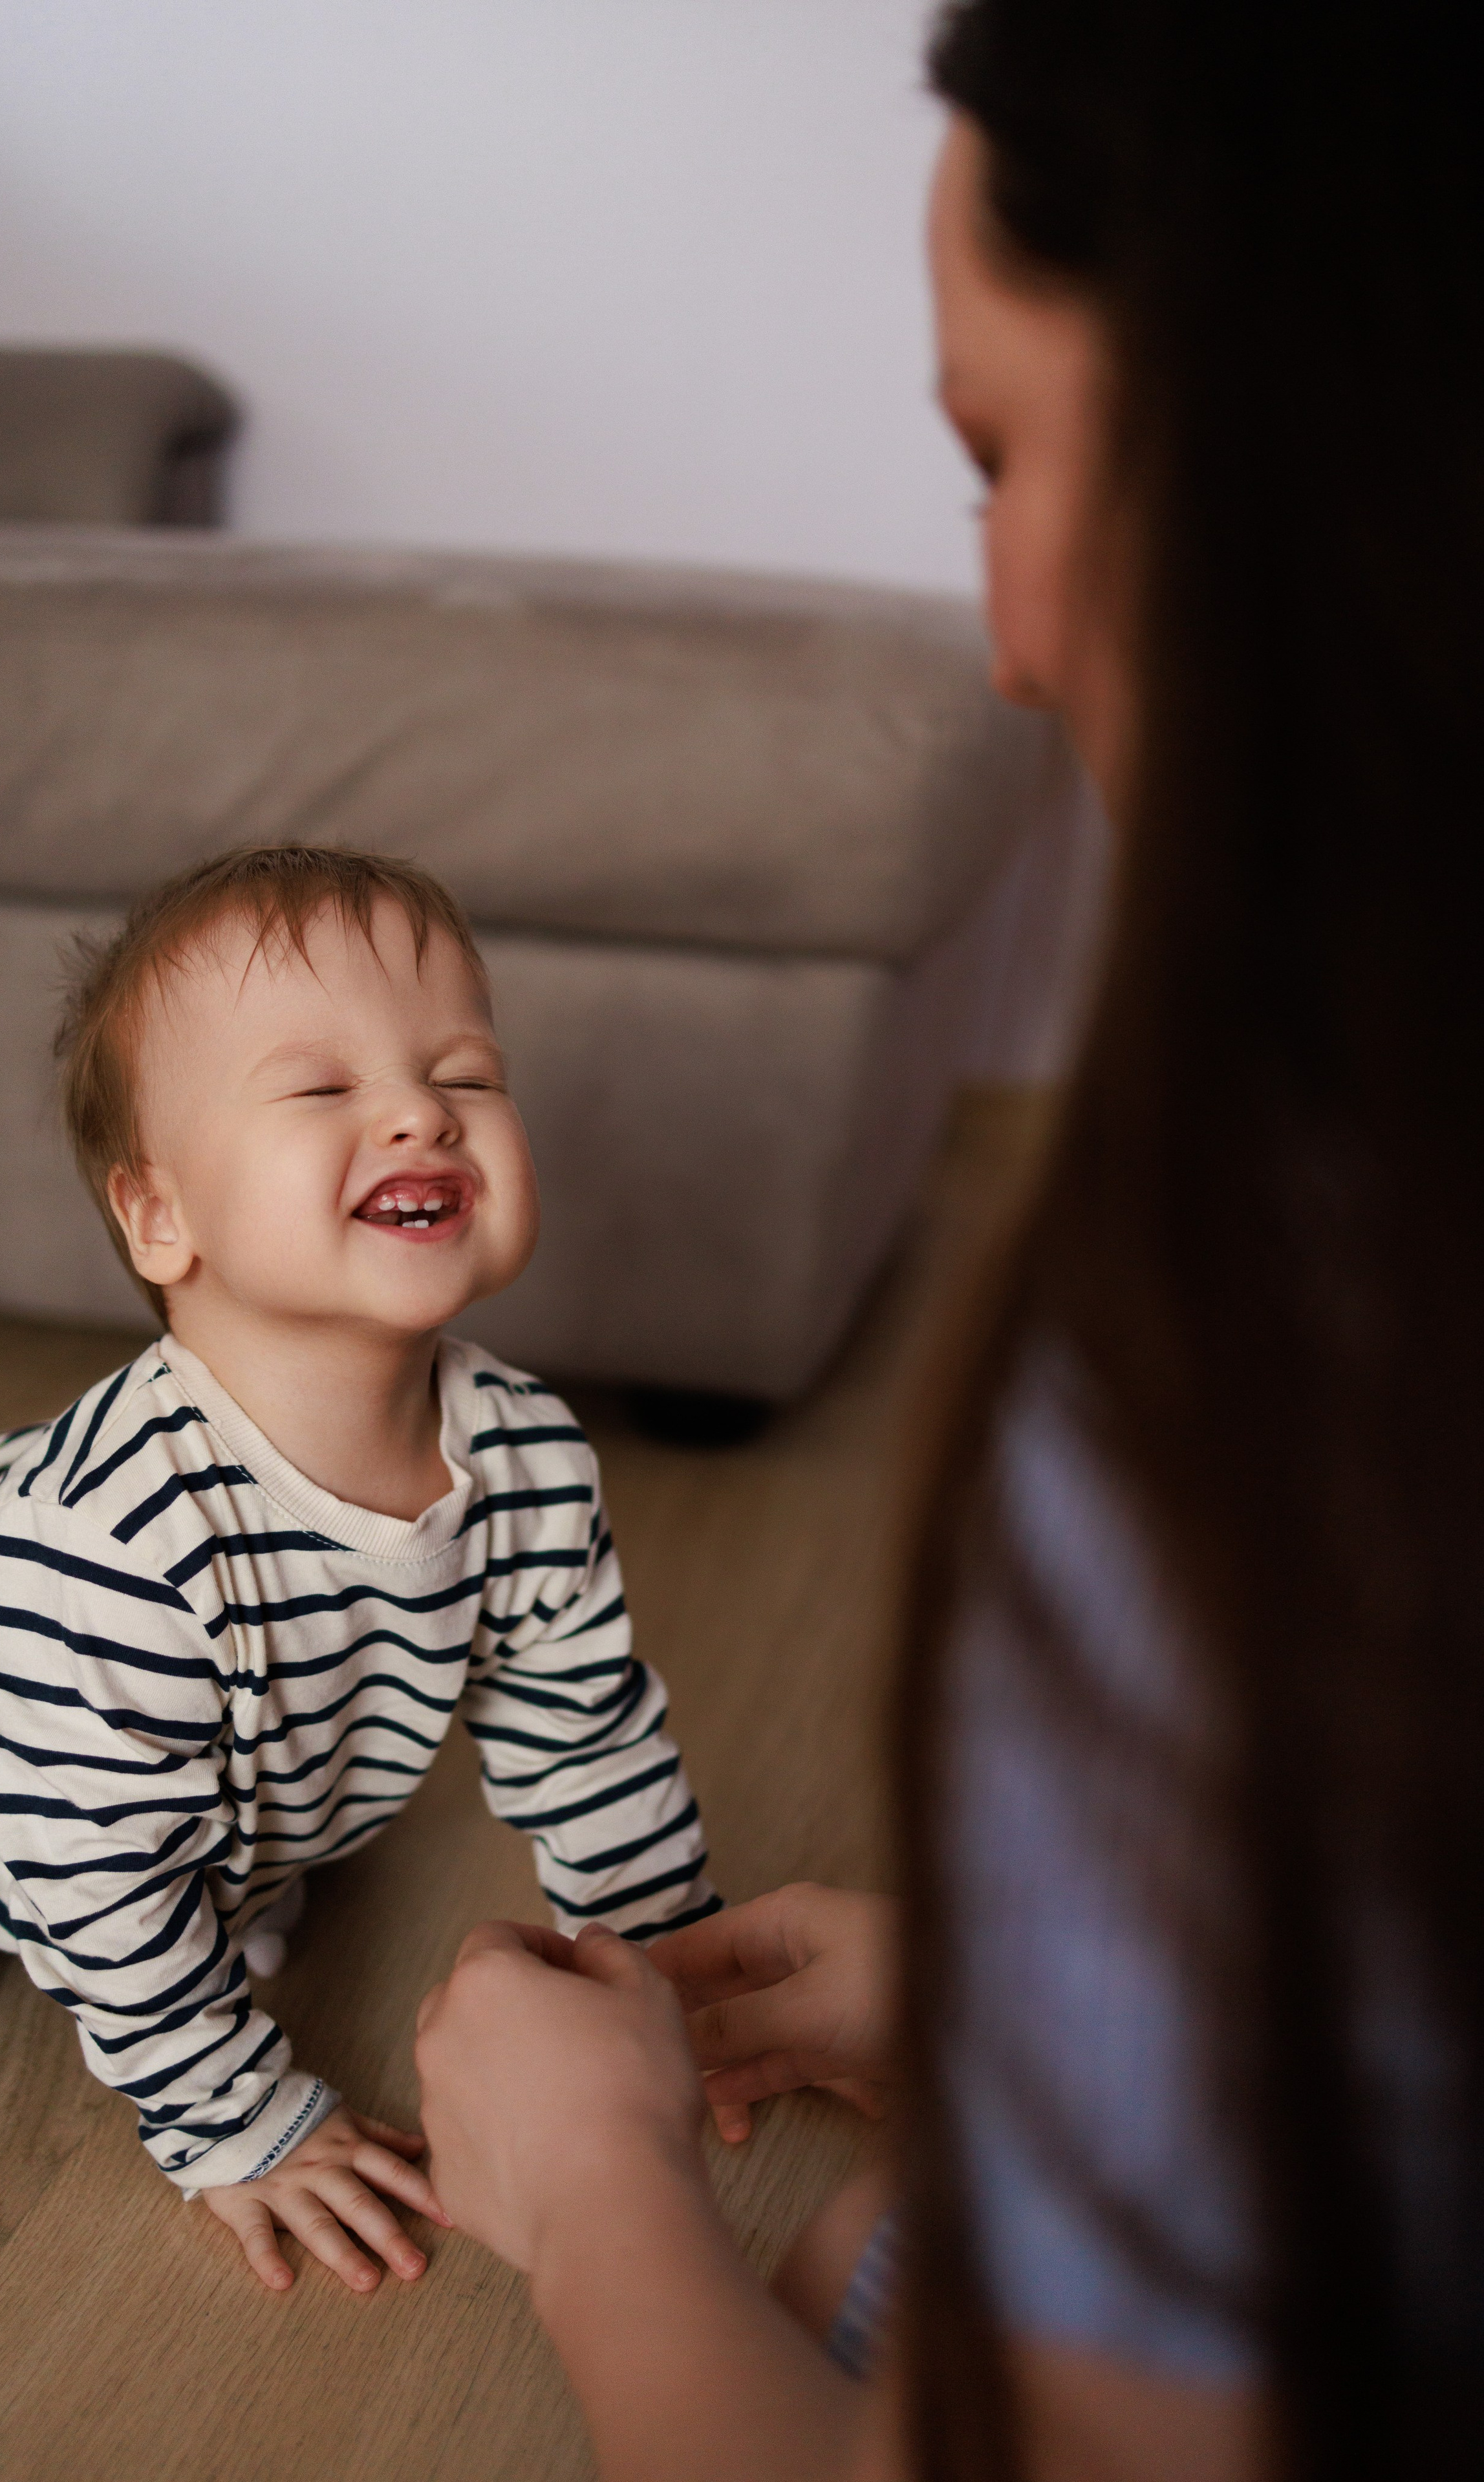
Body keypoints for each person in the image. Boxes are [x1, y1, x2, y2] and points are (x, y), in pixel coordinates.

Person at [412, 0, 1483, 2474]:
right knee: (847, 2237)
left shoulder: (1251, 1392)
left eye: (995, 453)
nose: (1002, 629)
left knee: (797, 2263)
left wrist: (585, 2192)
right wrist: (1044, 1984)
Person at [0, 844, 718, 2293]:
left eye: (466, 1073)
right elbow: (100, 1887)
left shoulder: (526, 1455)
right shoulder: (115, 1557)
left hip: (36, 1632)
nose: (421, 1109)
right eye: (322, 1088)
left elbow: (584, 1725)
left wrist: (667, 1956)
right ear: (156, 1216)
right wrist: (236, 2119)